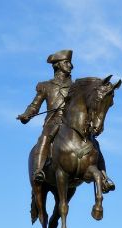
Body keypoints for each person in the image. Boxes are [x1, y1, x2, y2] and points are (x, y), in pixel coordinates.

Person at [17, 49, 74, 184]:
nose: (71, 66)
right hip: (53, 122)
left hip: (71, 123)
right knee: (44, 139)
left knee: (92, 142)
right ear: (58, 65)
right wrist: (26, 115)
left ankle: (102, 176)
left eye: (70, 63)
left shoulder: (75, 86)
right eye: (67, 62)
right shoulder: (46, 86)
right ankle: (38, 170)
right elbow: (34, 105)